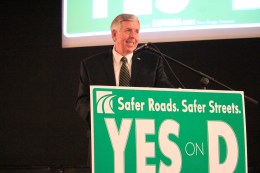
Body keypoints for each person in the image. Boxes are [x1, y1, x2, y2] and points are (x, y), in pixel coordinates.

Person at [75, 13, 174, 169]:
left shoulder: (152, 62)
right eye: (128, 30)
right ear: (114, 34)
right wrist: (102, 120)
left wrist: (179, 97)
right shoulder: (91, 65)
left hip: (144, 139)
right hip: (105, 138)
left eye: (137, 31)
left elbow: (166, 93)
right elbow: (82, 102)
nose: (133, 36)